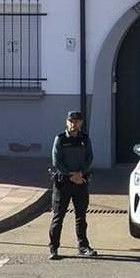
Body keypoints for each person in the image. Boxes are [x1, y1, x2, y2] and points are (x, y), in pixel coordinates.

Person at [48, 110, 97, 260]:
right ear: (66, 122)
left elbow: (90, 159)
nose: (73, 124)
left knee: (81, 217)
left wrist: (80, 174)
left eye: (76, 121)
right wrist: (71, 175)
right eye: (71, 121)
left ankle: (83, 246)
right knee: (58, 217)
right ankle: (53, 248)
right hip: (63, 183)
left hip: (80, 182)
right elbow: (57, 161)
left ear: (81, 123)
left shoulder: (85, 139)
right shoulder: (60, 139)